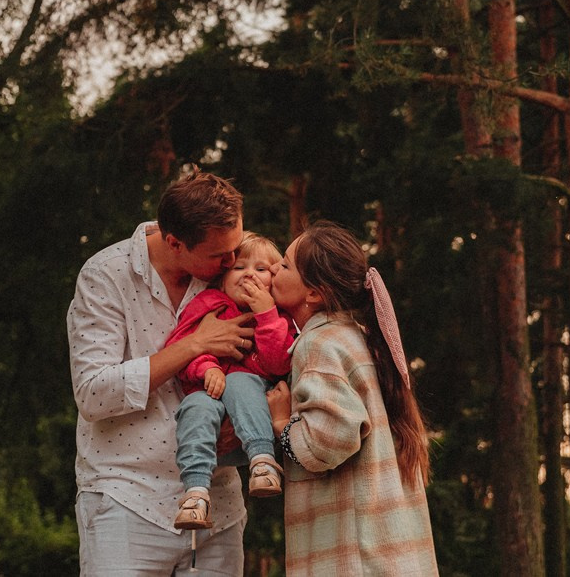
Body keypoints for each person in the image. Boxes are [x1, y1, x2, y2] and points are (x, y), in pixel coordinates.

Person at [67, 167, 257, 577]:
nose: (233, 261)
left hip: (218, 507)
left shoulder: (234, 276)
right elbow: (93, 394)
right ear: (175, 242)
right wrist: (194, 345)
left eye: (236, 248)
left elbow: (268, 365)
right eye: (219, 255)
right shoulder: (105, 276)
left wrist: (243, 423)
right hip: (126, 500)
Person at [266, 221, 439, 577]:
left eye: (284, 265)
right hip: (388, 551)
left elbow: (333, 437)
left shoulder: (318, 344)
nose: (272, 270)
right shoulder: (357, 338)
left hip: (354, 558)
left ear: (314, 293)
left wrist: (283, 424)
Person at [165, 232, 294, 529]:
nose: (249, 273)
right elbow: (180, 344)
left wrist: (266, 315)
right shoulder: (209, 303)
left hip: (250, 417)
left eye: (262, 270)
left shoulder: (278, 316)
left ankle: (262, 463)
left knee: (239, 381)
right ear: (222, 279)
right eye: (239, 267)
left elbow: (278, 363)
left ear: (273, 284)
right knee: (195, 405)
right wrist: (206, 367)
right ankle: (196, 493)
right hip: (210, 406)